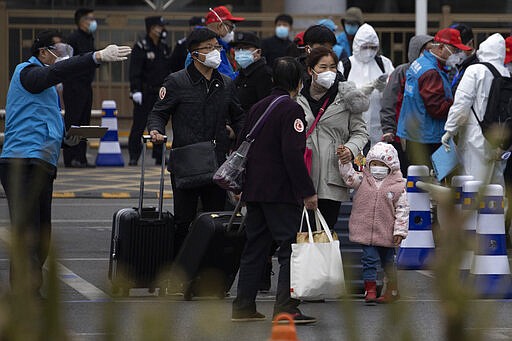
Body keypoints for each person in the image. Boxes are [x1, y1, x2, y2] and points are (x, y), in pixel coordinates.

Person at [0, 30, 130, 298]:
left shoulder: (46, 88)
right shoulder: (27, 73)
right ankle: (26, 294)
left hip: (42, 163)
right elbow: (53, 75)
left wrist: (68, 139)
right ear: (42, 52)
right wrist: (95, 57)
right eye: (57, 51)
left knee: (42, 233)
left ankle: (29, 290)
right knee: (28, 232)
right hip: (20, 163)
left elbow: (41, 124)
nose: (60, 57)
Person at [232, 57, 318, 324]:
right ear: (299, 82)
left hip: (255, 190)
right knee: (289, 249)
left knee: (255, 247)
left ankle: (243, 306)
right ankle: (286, 308)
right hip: (280, 192)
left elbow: (241, 141)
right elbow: (293, 154)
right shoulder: (292, 109)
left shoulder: (258, 106)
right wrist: (307, 191)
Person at [147, 28, 244, 254]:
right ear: (195, 53)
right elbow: (158, 113)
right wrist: (155, 130)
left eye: (217, 47)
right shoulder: (176, 81)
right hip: (187, 163)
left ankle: (210, 273)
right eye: (209, 48)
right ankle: (178, 272)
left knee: (215, 220)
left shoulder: (226, 83)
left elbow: (239, 116)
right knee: (183, 220)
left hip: (217, 164)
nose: (215, 52)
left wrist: (240, 139)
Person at [296, 46, 369, 228]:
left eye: (333, 67)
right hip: (302, 175)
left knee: (326, 232)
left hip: (331, 177)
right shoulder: (297, 96)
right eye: (323, 67)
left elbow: (360, 132)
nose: (329, 72)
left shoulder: (347, 96)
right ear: (310, 70)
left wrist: (350, 150)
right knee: (299, 234)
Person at [338, 142, 409, 304]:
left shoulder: (398, 186)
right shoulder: (363, 179)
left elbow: (403, 210)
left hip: (387, 231)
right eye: (374, 164)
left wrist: (400, 231)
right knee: (369, 259)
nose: (377, 167)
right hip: (366, 231)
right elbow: (349, 177)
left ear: (390, 165)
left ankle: (392, 289)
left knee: (388, 262)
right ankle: (370, 289)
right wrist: (344, 161)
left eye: (382, 164)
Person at [397, 28, 471, 168]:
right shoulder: (431, 72)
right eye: (454, 51)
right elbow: (437, 109)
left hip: (415, 134)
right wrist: (459, 102)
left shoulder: (420, 63)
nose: (458, 55)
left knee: (418, 180)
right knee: (429, 183)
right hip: (427, 139)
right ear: (441, 47)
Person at [442, 33, 508, 186]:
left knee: (472, 185)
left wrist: (450, 130)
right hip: (499, 137)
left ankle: (473, 212)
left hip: (475, 136)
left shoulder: (475, 70)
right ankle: (498, 210)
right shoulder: (505, 73)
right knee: (496, 186)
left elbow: (461, 104)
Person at [380, 34, 433, 176]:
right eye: (427, 50)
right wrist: (388, 128)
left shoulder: (434, 72)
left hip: (426, 136)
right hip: (401, 136)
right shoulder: (402, 72)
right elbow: (389, 101)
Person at [338, 23, 394, 148]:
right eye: (365, 47)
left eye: (373, 47)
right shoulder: (346, 65)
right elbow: (339, 96)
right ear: (357, 46)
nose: (369, 51)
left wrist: (383, 89)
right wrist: (360, 91)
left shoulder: (384, 63)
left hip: (378, 126)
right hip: (352, 127)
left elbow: (393, 94)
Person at [127, 16, 172, 166]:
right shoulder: (141, 46)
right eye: (159, 27)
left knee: (159, 124)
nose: (161, 30)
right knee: (139, 125)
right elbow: (135, 70)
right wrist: (135, 90)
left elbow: (167, 70)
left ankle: (159, 155)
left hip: (160, 93)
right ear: (151, 28)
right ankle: (134, 155)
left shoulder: (164, 47)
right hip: (144, 93)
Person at [62, 8, 97, 168]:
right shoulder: (73, 38)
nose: (93, 22)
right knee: (73, 122)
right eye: (90, 19)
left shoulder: (89, 37)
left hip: (86, 85)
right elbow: (67, 62)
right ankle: (71, 157)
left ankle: (81, 157)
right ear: (82, 21)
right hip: (74, 85)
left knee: (84, 123)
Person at [231, 31, 273, 112]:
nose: (240, 52)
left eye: (245, 48)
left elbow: (265, 108)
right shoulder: (242, 73)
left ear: (258, 52)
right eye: (237, 48)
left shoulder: (264, 74)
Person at [203, 5, 245, 79]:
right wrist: (248, 71)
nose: (231, 32)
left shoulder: (221, 48)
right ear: (220, 26)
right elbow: (227, 79)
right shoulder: (212, 50)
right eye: (231, 27)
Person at [450, 23, 479, 93]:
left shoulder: (477, 67)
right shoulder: (456, 65)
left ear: (470, 44)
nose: (455, 53)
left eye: (458, 49)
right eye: (452, 49)